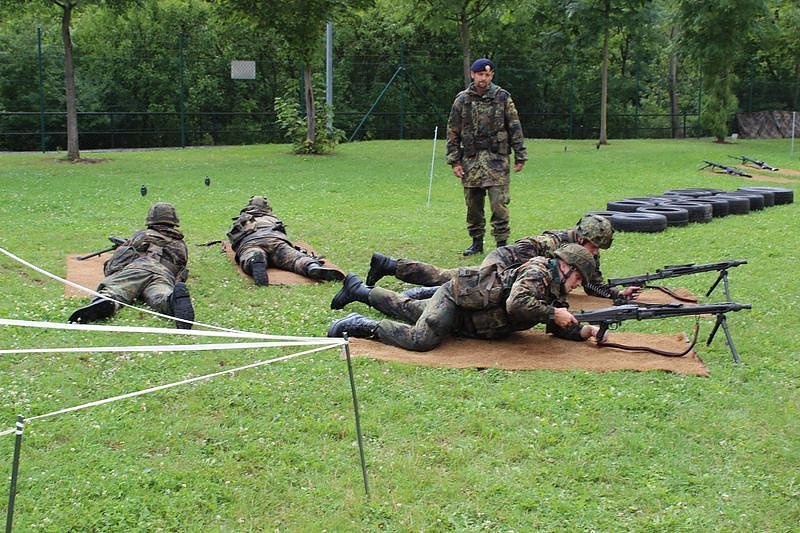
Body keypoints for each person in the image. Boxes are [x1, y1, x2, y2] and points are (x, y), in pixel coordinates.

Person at [327, 244, 605, 352]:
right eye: (579, 277)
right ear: (566, 266)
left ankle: (358, 290)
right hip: (458, 297)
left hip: (471, 316)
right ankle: (361, 324)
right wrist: (551, 314)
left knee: (411, 308)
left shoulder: (555, 288)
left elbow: (556, 321)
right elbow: (516, 303)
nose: (578, 284)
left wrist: (585, 330)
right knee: (421, 339)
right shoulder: (539, 272)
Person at [346, 214, 638, 306]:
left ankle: (387, 265)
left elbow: (592, 285)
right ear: (585, 239)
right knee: (450, 280)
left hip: (512, 273)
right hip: (503, 264)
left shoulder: (582, 254)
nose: (597, 254)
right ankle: (392, 269)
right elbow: (523, 254)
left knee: (449, 278)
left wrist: (617, 294)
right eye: (596, 247)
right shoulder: (555, 243)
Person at [68, 202, 195, 329]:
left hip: (138, 268)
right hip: (164, 275)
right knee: (160, 295)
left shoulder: (142, 236)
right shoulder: (180, 245)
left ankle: (107, 301)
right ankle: (171, 302)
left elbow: (117, 261)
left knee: (117, 288)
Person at [447, 58, 528, 256]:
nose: (484, 78)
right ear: (473, 75)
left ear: (491, 75)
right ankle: (476, 242)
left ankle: (502, 244)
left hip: (496, 160)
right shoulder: (462, 100)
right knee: (473, 205)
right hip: (471, 160)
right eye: (480, 74)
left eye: (487, 74)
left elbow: (514, 127)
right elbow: (453, 131)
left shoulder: (502, 98)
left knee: (498, 203)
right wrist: (454, 161)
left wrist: (520, 155)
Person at [227, 196, 344, 286]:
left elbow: (234, 240)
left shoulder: (241, 220)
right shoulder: (272, 218)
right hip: (275, 239)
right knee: (294, 258)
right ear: (266, 208)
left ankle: (255, 261)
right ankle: (310, 266)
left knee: (250, 255)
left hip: (250, 241)